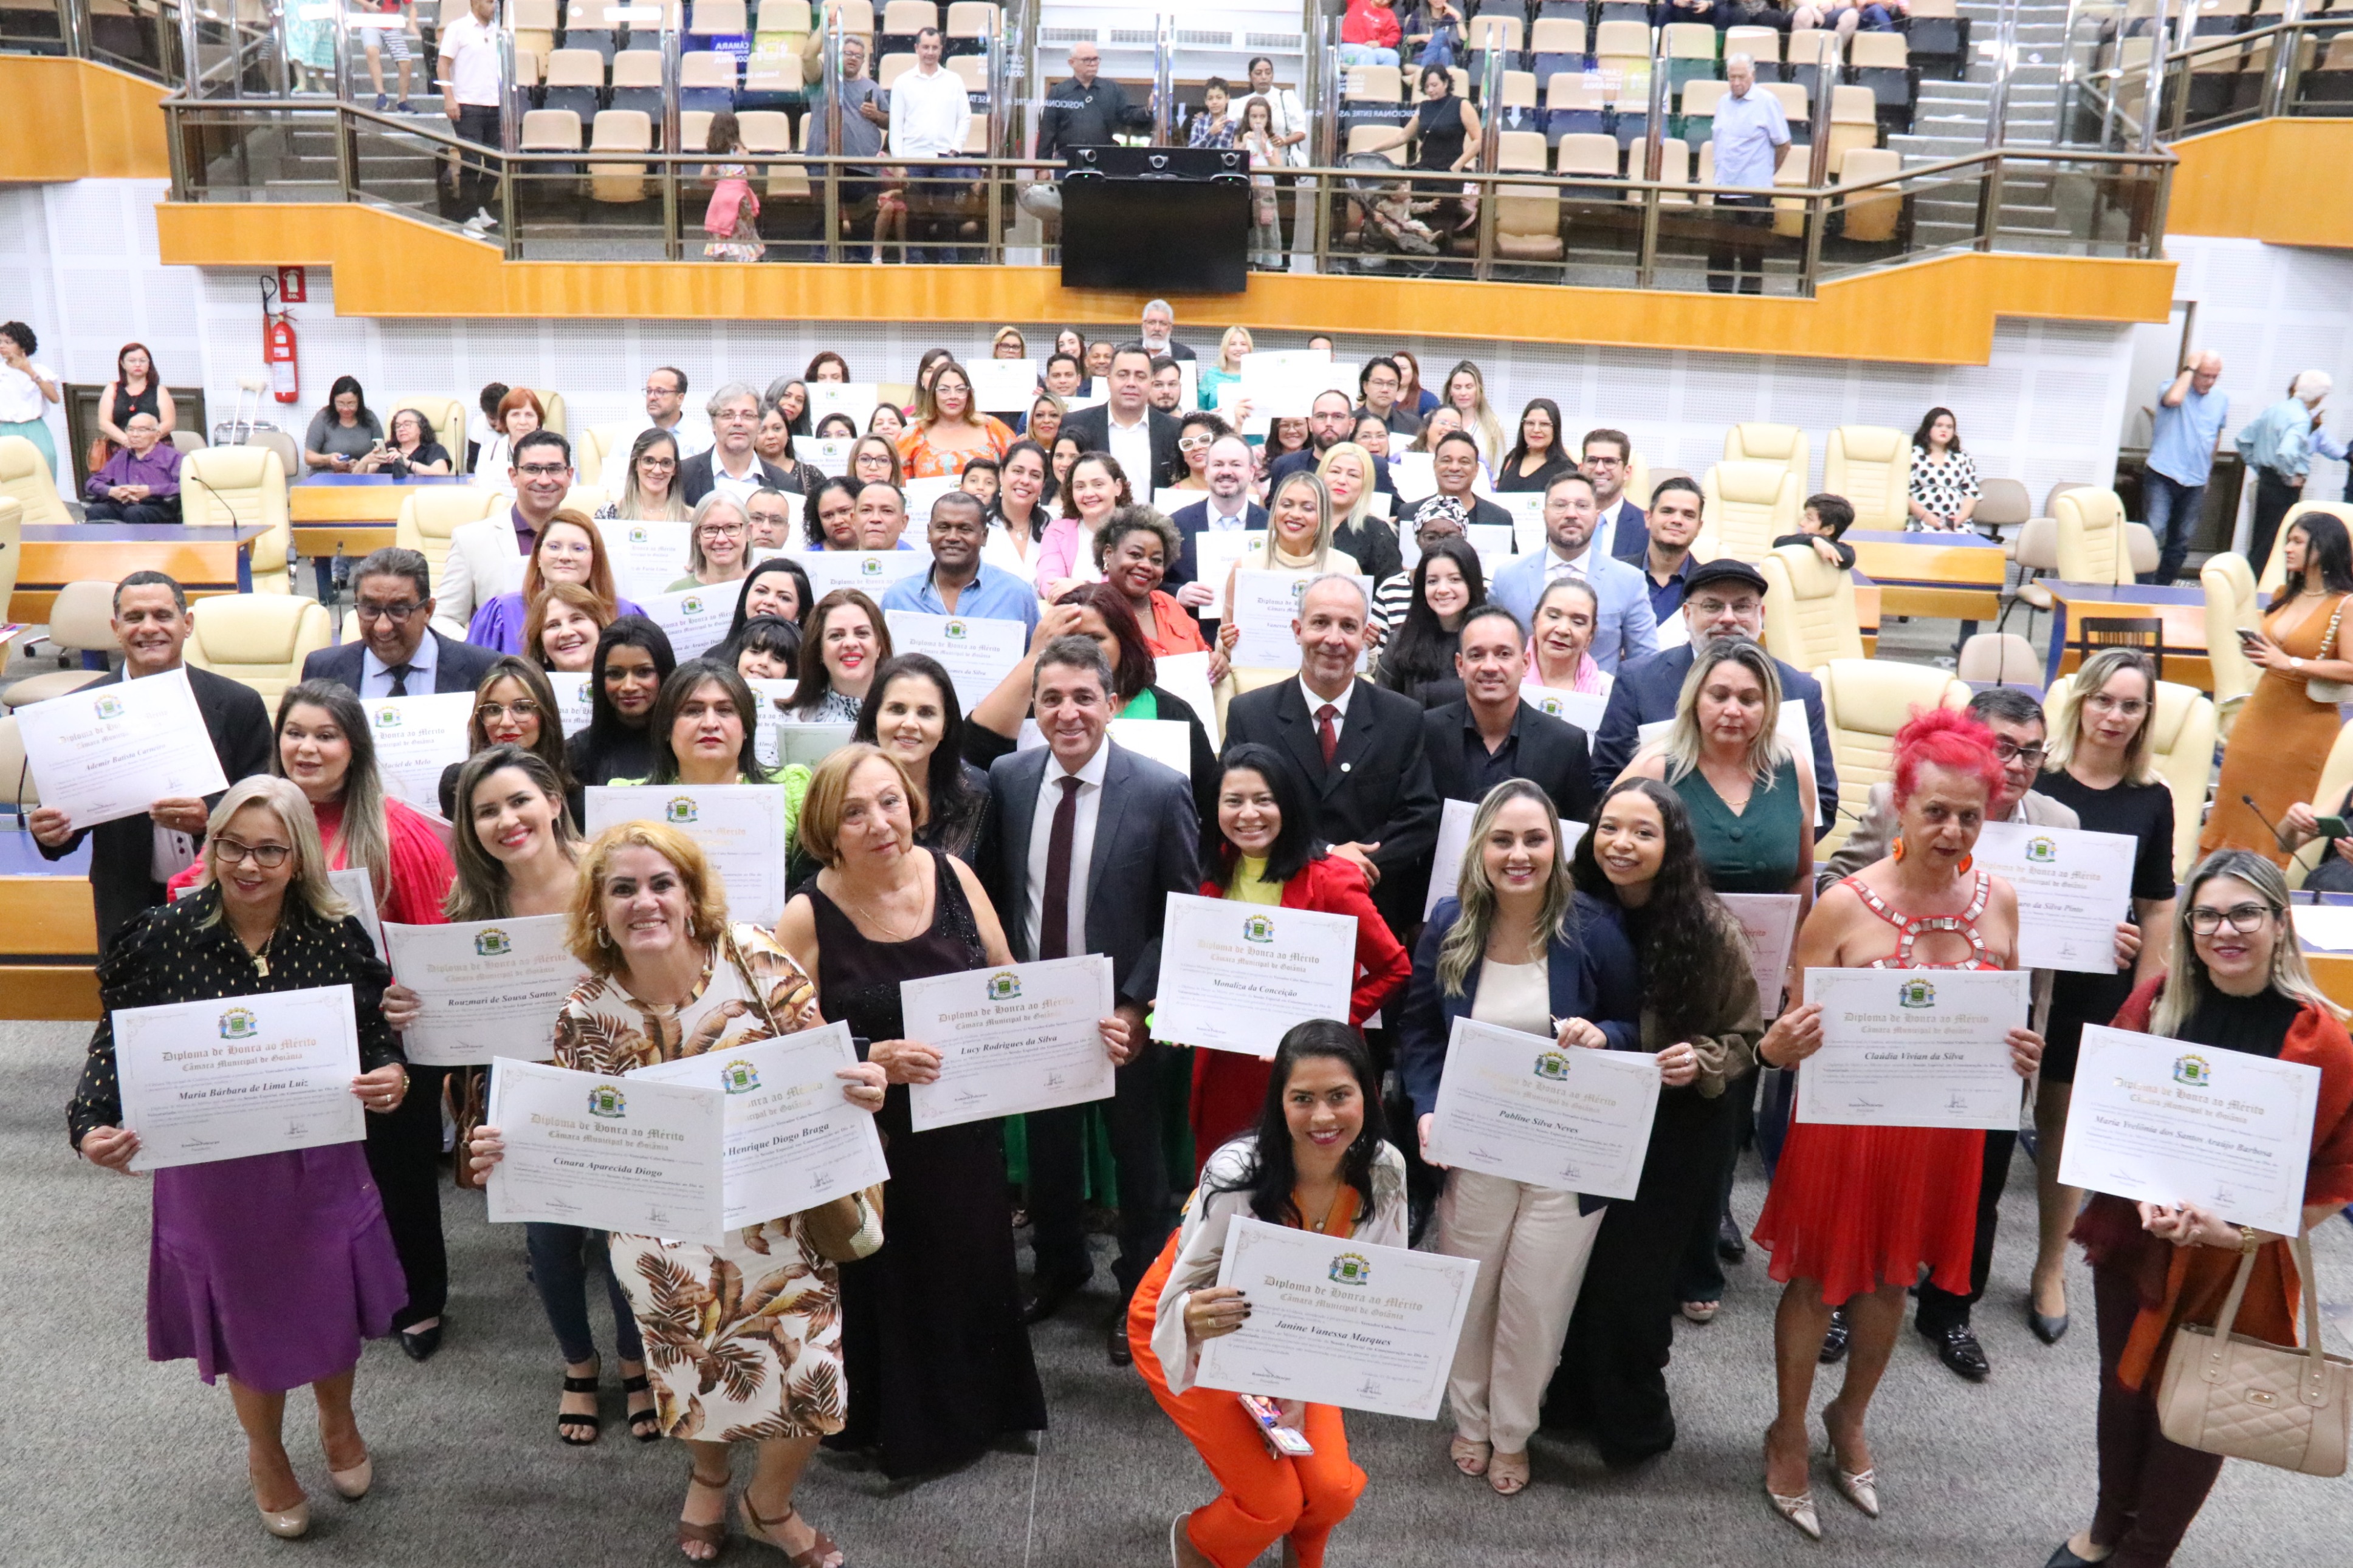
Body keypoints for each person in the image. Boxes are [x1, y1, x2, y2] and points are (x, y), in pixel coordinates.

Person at [465, 821, 888, 1565]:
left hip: (780, 1216)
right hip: (661, 1232)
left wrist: (864, 1084)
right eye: (622, 888)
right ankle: (709, 1473)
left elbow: (823, 1069)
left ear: (691, 896)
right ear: (598, 908)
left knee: (812, 1380)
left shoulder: (754, 957)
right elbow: (574, 1143)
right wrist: (505, 1154)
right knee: (693, 1375)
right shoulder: (585, 1013)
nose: (645, 901)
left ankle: (769, 1503)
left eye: (662, 883)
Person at [68, 775, 411, 1539]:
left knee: (328, 1293)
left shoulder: (334, 932)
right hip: (212, 1167)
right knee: (246, 1309)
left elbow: (374, 1033)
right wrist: (90, 1123)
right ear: (211, 844)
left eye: (269, 851)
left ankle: (338, 1420)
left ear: (299, 859)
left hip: (316, 1154)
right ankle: (266, 1451)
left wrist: (391, 1073)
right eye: (231, 846)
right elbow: (114, 1042)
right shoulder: (160, 935)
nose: (248, 866)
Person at [1748, 710, 2042, 1541]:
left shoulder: (2002, 901)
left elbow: (2007, 1015)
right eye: (1935, 811)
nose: (1951, 831)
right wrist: (1782, 1044)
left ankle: (1848, 1417)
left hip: (1942, 1130)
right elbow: (1794, 1028)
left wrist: (2022, 1050)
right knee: (1819, 1280)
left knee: (1892, 1280)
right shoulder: (1842, 905)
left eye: (1969, 816)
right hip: (1848, 1127)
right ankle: (1786, 1429)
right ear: (1901, 806)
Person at [778, 744, 1093, 1476]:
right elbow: (782, 1047)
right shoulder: (804, 913)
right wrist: (874, 1054)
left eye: (889, 801)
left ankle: (979, 1412)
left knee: (969, 1264)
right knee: (891, 1280)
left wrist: (1083, 1030)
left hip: (962, 1125)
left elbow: (1008, 983)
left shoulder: (953, 873)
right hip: (873, 1139)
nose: (879, 822)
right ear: (825, 827)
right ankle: (896, 1427)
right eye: (853, 812)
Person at [2046, 850, 2353, 1568]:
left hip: (2235, 1259)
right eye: (2206, 914)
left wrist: (2235, 1232)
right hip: (2135, 1233)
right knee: (2123, 1385)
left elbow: (2334, 1176)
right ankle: (2106, 1523)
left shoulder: (2322, 1039)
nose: (2225, 930)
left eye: (2244, 912)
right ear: (2188, 926)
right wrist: (2140, 1191)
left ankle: (2146, 1551)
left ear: (2279, 922)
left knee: (2197, 1403)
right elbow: (2106, 1115)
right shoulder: (2156, 1004)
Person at [1821, 685, 2103, 1377]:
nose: (2016, 764)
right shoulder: (1896, 802)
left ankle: (1950, 1312)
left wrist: (2102, 932)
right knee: (1871, 1173)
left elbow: (2068, 929)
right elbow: (1837, 880)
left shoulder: (2060, 822)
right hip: (1890, 1025)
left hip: (1991, 1038)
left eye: (2031, 751)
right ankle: (1843, 1300)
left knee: (1978, 1183)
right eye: (2002, 747)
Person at [1400, 779, 1641, 1494]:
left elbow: (1636, 1026)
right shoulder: (1449, 923)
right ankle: (1469, 1419)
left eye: (1534, 839)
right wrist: (1425, 1108)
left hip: (1567, 1153)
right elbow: (1418, 1031)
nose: (1518, 854)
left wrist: (1603, 1035)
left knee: (1536, 1304)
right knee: (1471, 1290)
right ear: (1479, 847)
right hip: (1475, 1142)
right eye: (1502, 840)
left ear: (1555, 848)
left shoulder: (1593, 927)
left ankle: (1512, 1431)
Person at [421, 744, 656, 1443]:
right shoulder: (472, 903)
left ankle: (635, 1361)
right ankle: (579, 1364)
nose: (506, 820)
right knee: (550, 1240)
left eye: (519, 800)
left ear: (554, 801)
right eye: (485, 811)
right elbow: (456, 1009)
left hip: (619, 1076)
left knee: (626, 1231)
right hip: (525, 1088)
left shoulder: (610, 875)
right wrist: (418, 1007)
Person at [976, 636, 1200, 1363]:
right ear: (1034, 708)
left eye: (1082, 697)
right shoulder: (1009, 779)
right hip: (1037, 1010)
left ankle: (1137, 1291)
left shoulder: (1160, 789)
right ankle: (1060, 1266)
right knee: (1047, 1153)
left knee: (1138, 1162)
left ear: (1111, 703)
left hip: (1121, 1016)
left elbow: (1179, 917)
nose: (1066, 713)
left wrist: (1136, 1008)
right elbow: (995, 891)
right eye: (1050, 699)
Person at [1546, 777, 1764, 1464]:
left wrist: (1699, 1059)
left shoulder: (1709, 928)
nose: (1622, 843)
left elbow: (1746, 1039)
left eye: (1644, 832)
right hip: (1582, 1115)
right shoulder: (1566, 907)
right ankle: (1567, 1399)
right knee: (1574, 1271)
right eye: (1610, 827)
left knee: (1634, 1285)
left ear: (1673, 846)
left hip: (1675, 1128)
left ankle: (1632, 1423)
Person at [1132, 1022, 1404, 1568]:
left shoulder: (1384, 1169)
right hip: (1199, 1328)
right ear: (1279, 1101)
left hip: (1297, 1333)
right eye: (1302, 1098)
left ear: (1367, 1095)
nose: (1322, 1117)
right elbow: (1184, 1294)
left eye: (1339, 1095)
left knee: (1332, 1491)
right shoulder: (1237, 1172)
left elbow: (1377, 1290)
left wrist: (1309, 1376)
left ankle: (1302, 1556)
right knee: (1272, 1503)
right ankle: (1199, 1542)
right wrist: (1191, 1318)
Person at [1617, 636, 1816, 1325]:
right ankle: (1639, 1251)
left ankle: (1700, 1253)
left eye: (1749, 698)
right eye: (1720, 694)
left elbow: (1802, 873)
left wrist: (1793, 968)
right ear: (1694, 700)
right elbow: (1612, 856)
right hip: (1663, 967)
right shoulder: (1657, 766)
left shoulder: (1791, 769)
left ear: (1769, 707)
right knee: (1660, 1116)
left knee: (1722, 1118)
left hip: (1747, 983)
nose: (1734, 709)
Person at [29, 571, 273, 950]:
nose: (148, 628)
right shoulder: (76, 712)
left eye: (162, 615)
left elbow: (267, 805)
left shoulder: (239, 705)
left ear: (187, 624)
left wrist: (210, 816)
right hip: (128, 904)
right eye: (134, 618)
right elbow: (67, 826)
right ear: (116, 629)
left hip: (226, 897)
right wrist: (50, 831)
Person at [1189, 748, 1410, 1159]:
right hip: (1227, 1070)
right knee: (1232, 1183)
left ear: (1287, 805)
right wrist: (1180, 1003)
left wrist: (1328, 1021)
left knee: (1315, 1185)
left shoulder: (1333, 881)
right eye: (1234, 801)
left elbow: (1394, 968)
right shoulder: (1209, 873)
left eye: (1264, 800)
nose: (1248, 814)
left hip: (1312, 1072)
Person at [1225, 574, 1443, 945]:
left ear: (1366, 637)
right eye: (1321, 623)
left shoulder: (1402, 718)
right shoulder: (1250, 714)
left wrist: (1356, 869)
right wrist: (1327, 857)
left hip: (1369, 912)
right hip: (1274, 910)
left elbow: (1418, 817)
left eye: (1348, 626)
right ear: (1297, 630)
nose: (1334, 639)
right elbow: (1236, 812)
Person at [1589, 558, 1840, 838]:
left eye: (1742, 607)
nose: (1728, 618)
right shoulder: (1639, 681)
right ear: (1687, 615)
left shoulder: (1799, 690)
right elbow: (1606, 779)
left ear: (1762, 615)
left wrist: (1751, 849)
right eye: (1713, 606)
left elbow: (1822, 801)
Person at [2204, 509, 2353, 866]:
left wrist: (2291, 663)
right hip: (2260, 714)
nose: (2287, 549)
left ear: (2323, 548)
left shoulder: (2345, 604)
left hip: (2304, 726)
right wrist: (2263, 654)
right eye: (2288, 541)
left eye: (2298, 542)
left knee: (2278, 812)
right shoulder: (2286, 593)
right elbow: (2279, 653)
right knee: (2235, 801)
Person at [1423, 605, 1595, 821]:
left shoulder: (1566, 745)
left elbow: (1578, 832)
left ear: (1525, 663)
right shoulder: (1426, 733)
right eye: (1476, 655)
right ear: (1460, 666)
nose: (1490, 667)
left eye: (1504, 654)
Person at [1488, 471, 1660, 674]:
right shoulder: (1507, 577)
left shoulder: (1628, 581)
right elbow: (1490, 646)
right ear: (1544, 514)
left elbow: (1646, 662)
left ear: (1597, 515)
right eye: (1560, 505)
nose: (1571, 514)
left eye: (1582, 506)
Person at [847, 654, 994, 863]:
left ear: (944, 728)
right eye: (897, 709)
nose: (910, 724)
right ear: (874, 720)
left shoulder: (975, 794)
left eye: (926, 713)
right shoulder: (839, 790)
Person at [303, 546, 500, 698]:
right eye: (370, 610)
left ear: (428, 610)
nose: (383, 627)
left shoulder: (484, 669)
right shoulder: (323, 669)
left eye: (399, 611)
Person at [437, 428, 577, 638]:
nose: (544, 480)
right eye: (532, 469)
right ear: (513, 476)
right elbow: (443, 619)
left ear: (569, 475)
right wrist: (483, 650)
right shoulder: (472, 541)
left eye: (554, 469)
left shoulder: (590, 540)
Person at [467, 510, 641, 654]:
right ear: (538, 557)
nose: (565, 556)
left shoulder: (626, 614)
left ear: (595, 559)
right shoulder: (502, 613)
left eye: (578, 548)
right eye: (554, 547)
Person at [431, 656, 577, 821]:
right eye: (493, 710)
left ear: (545, 713)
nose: (506, 722)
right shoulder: (456, 785)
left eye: (522, 708)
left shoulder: (576, 781)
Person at [880, 489, 1042, 630]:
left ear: (984, 536)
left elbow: (1036, 654)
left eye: (965, 529)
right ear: (929, 532)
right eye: (943, 527)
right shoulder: (899, 598)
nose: (952, 537)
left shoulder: (1016, 595)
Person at [1353, 69, 1480, 235]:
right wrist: (1372, 149)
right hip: (1423, 175)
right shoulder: (1424, 107)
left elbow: (1478, 140)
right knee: (1420, 225)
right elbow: (1403, 137)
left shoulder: (1461, 104)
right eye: (1427, 86)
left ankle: (1441, 253)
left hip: (1449, 175)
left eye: (1434, 85)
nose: (1430, 90)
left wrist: (1458, 165)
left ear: (1446, 83)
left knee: (1441, 226)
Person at [1708, 55, 1793, 295]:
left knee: (1751, 255)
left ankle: (1750, 302)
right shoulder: (1723, 102)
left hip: (1754, 193)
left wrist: (1766, 174)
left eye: (1741, 77)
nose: (1736, 83)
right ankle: (1718, 300)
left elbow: (1784, 144)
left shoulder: (1767, 102)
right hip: (1724, 189)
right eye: (1732, 77)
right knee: (1720, 253)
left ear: (1752, 76)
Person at [2235, 370, 2333, 577]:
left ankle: (2251, 585)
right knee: (2278, 543)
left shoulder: (2274, 410)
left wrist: (2260, 467)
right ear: (2318, 397)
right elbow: (2287, 452)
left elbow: (2243, 440)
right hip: (2283, 487)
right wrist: (2289, 476)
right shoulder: (2301, 418)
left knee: (2261, 541)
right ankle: (2266, 589)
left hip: (2266, 481)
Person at [2142, 352, 2228, 583]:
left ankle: (2163, 588)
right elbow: (2173, 400)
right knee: (2153, 532)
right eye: (2205, 376)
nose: (2210, 382)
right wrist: (2189, 369)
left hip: (2196, 478)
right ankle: (2141, 588)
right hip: (2163, 473)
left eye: (2215, 377)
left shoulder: (2221, 399)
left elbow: (2215, 436)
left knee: (2182, 540)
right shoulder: (2170, 388)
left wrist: (2208, 471)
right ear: (2191, 372)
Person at [566, 617, 677, 786]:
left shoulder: (687, 746)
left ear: (665, 673)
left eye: (644, 672)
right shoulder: (576, 754)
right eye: (615, 674)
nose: (628, 686)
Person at [1376, 536, 1483, 705]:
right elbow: (1383, 704)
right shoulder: (1402, 641)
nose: (1442, 590)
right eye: (1432, 581)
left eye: (1455, 579)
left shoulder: (1491, 638)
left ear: (1472, 583)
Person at [1095, 505, 1211, 660]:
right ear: (1108, 554)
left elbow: (1205, 655)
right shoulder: (1092, 610)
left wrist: (1217, 661)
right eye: (1135, 555)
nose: (1146, 566)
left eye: (1156, 560)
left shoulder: (1170, 604)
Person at [1060, 346, 1181, 493]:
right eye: (1123, 375)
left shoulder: (1175, 430)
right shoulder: (1076, 424)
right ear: (1109, 381)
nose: (1131, 383)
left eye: (1140, 376)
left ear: (1151, 383)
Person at [1167, 434, 1268, 606]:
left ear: (1251, 472)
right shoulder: (1176, 525)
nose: (1226, 472)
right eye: (1218, 464)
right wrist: (1178, 594)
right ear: (1206, 471)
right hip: (1193, 622)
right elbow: (1154, 583)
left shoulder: (1271, 526)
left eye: (1236, 465)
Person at [437, 0, 505, 235]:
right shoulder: (458, 28)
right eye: (489, 1)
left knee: (495, 162)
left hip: (495, 105)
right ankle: (468, 216)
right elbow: (443, 64)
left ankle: (480, 206)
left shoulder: (499, 31)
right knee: (472, 160)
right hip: (468, 106)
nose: (494, 6)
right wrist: (449, 98)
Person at [1267, 390, 1403, 500]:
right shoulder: (1285, 466)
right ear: (1310, 424)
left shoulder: (1373, 465)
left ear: (1351, 425)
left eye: (1338, 417)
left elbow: (1396, 513)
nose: (1329, 423)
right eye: (1321, 416)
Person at [897, 359, 1016, 479]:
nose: (953, 396)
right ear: (933, 394)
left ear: (969, 394)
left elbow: (1016, 472)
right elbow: (898, 483)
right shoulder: (912, 434)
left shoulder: (993, 428)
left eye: (960, 390)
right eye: (944, 390)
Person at [681, 383, 795, 506]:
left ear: (759, 424)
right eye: (727, 415)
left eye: (748, 415)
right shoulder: (683, 475)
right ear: (714, 424)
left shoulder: (785, 484)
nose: (737, 422)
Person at [1037, 450, 1132, 598]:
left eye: (1098, 485)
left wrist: (1082, 586)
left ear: (1118, 487)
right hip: (1068, 611)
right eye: (1080, 487)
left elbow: (1131, 588)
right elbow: (1050, 585)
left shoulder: (1137, 533)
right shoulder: (1057, 532)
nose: (1088, 494)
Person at [788, 589, 890, 723]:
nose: (850, 643)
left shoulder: (904, 718)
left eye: (862, 633)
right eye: (836, 635)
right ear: (819, 650)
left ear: (879, 645)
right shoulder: (799, 721)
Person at [1614, 475, 1705, 626]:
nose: (1677, 520)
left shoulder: (1708, 585)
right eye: (1667, 511)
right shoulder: (1613, 574)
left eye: (1688, 515)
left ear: (1699, 527)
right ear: (1648, 518)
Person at [1037, 41, 1151, 159]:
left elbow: (1128, 115)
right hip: (1068, 159)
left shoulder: (1111, 89)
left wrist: (1149, 110)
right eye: (1087, 60)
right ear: (1072, 63)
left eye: (1096, 59)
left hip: (1104, 159)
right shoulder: (1059, 92)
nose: (1093, 64)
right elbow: (1048, 132)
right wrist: (1042, 165)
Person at [1316, 442, 1407, 588]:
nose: (1342, 481)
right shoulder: (1303, 520)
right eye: (1335, 472)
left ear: (1365, 484)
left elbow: (1392, 590)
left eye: (1353, 475)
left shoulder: (1376, 531)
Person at [1401, 431, 1513, 538]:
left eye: (1464, 462)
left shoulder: (1499, 519)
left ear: (1476, 470)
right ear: (1435, 466)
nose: (1454, 468)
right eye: (1446, 460)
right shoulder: (1409, 515)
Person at [81, 411, 182, 523]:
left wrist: (151, 491)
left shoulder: (173, 457)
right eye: (130, 429)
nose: (135, 435)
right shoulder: (121, 456)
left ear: (157, 435)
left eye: (142, 430)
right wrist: (111, 491)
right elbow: (93, 483)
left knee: (134, 513)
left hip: (158, 505)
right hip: (123, 503)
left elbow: (186, 486)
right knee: (96, 511)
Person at [1523, 578, 1613, 696]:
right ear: (1535, 619)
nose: (1563, 630)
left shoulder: (1608, 691)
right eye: (1553, 616)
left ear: (1591, 634)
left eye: (1578, 622)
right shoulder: (1507, 678)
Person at [0, 319, 63, 476]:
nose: (2, 346)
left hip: (34, 427)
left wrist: (30, 372)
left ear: (22, 345)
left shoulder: (39, 370)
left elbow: (55, 398)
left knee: (45, 466)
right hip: (5, 428)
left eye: (8, 342)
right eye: (0, 342)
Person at [984, 438, 1052, 581]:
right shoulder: (979, 525)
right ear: (1001, 475)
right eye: (1018, 471)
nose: (1025, 481)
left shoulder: (1052, 528)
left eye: (1035, 475)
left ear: (1043, 485)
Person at [1906, 406, 1980, 532]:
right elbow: (1903, 493)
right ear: (1928, 428)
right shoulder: (1913, 455)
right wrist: (1924, 516)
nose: (1944, 430)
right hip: (1921, 521)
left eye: (1949, 427)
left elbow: (1971, 492)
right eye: (1939, 425)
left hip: (1955, 524)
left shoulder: (1962, 457)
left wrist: (1961, 518)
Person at [95, 341, 177, 453]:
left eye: (142, 361)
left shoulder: (160, 390)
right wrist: (128, 441)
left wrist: (147, 440)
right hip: (121, 448)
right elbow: (104, 423)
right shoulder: (112, 389)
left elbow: (169, 423)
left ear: (149, 364)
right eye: (132, 361)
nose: (138, 365)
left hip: (155, 448)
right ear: (123, 364)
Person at [594, 428, 690, 522]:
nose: (657, 471)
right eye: (649, 461)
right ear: (635, 464)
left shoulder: (691, 519)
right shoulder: (609, 515)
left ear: (675, 469)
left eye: (666, 463)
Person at [667, 493, 754, 592]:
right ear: (697, 536)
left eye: (731, 527)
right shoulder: (677, 593)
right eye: (710, 529)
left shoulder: (764, 588)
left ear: (748, 532)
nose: (721, 539)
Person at [303, 375, 385, 473]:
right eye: (340, 404)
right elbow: (309, 457)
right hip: (328, 475)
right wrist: (329, 459)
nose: (346, 409)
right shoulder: (323, 417)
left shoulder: (369, 418)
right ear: (333, 402)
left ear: (359, 402)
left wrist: (362, 465)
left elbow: (382, 454)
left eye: (351, 404)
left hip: (361, 475)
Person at [527, 581, 612, 674]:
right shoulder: (527, 683)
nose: (566, 633)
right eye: (554, 625)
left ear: (599, 627)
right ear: (541, 642)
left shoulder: (623, 682)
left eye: (576, 619)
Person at [724, 557, 812, 643]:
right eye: (761, 591)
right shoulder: (718, 653)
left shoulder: (809, 654)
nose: (770, 601)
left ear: (800, 612)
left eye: (784, 598)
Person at [1440, 360, 1507, 471]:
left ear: (1478, 389)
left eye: (1469, 387)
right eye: (1457, 387)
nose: (1463, 393)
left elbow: (1498, 471)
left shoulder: (1493, 426)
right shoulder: (1439, 423)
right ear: (1450, 391)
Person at [1495, 398, 1574, 492]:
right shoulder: (1513, 458)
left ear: (1555, 429)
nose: (1536, 430)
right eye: (1530, 423)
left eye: (1544, 424)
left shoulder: (1565, 469)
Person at [351, 406, 453, 477]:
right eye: (398, 426)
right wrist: (365, 461)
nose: (401, 429)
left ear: (421, 428)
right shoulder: (388, 449)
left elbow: (442, 474)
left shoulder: (433, 449)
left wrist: (407, 463)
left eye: (407, 424)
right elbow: (356, 480)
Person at [638, 365, 712, 459]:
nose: (652, 397)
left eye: (660, 391)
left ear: (680, 398)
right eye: (649, 391)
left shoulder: (704, 436)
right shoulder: (629, 433)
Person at [470, 386, 543, 481]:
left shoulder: (554, 451)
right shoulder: (488, 452)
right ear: (504, 420)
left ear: (538, 420)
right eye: (515, 415)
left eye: (529, 415)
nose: (523, 422)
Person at [1779, 491, 1858, 569]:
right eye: (1805, 517)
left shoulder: (1844, 551)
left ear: (1829, 530)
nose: (1801, 523)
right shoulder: (1800, 541)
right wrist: (1813, 539)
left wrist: (1820, 541)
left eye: (1809, 519)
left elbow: (1848, 558)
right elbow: (1779, 542)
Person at [752, 405, 816, 493]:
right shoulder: (746, 475)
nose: (771, 436)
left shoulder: (810, 475)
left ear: (788, 432)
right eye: (763, 430)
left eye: (777, 429)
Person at [1197, 326, 1254, 413]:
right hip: (1216, 421)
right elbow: (1199, 408)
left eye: (1243, 344)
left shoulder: (1258, 375)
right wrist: (1211, 415)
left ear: (1250, 348)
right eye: (1232, 344)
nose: (1238, 349)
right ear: (1225, 348)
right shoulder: (1211, 375)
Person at [1168, 411, 1226, 494]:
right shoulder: (1170, 495)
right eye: (1187, 443)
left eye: (1204, 439)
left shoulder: (1241, 491)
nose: (1196, 447)